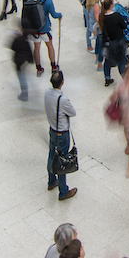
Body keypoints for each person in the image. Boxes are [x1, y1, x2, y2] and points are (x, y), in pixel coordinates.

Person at [46, 68, 78, 201]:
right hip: (62, 134)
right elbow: (73, 112)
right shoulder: (63, 99)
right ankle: (63, 191)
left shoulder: (47, 94)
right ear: (62, 82)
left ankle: (51, 181)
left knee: (52, 155)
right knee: (62, 161)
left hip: (52, 130)